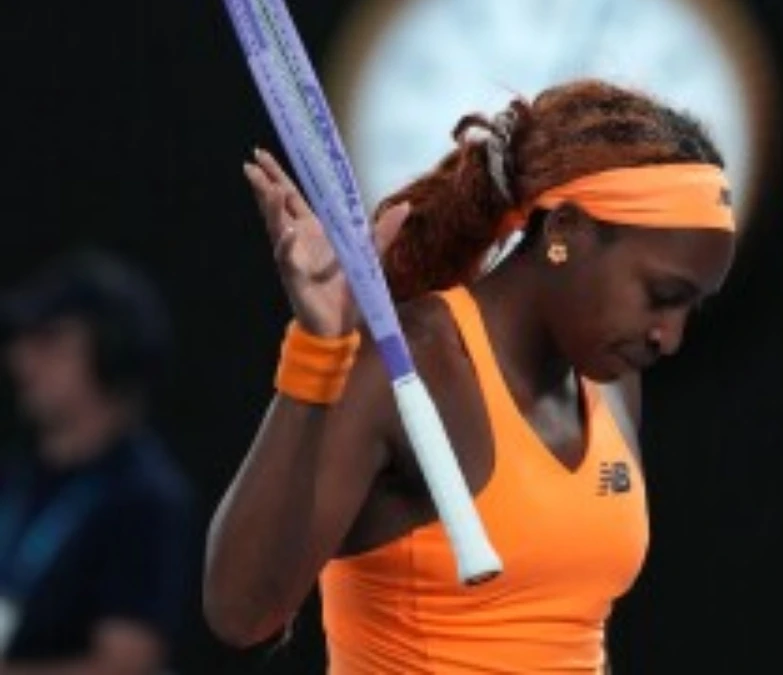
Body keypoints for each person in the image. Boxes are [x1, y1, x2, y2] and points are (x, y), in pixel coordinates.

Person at [204, 78, 738, 673]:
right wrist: (318, 349)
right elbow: (241, 612)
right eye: (661, 295)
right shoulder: (407, 364)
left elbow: (570, 631)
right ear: (565, 232)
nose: (670, 336)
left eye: (691, 308)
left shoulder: (611, 382)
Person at [0, 249, 195, 673]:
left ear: (111, 353)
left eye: (50, 343)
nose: (22, 360)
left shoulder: (144, 498)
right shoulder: (15, 473)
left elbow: (126, 663)